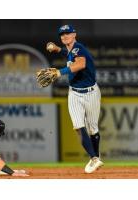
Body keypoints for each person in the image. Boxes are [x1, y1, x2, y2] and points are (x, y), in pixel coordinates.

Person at [46, 24, 103, 173]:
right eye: (62, 34)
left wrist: (59, 72)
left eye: (67, 33)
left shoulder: (79, 48)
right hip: (74, 93)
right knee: (78, 126)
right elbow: (69, 53)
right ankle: (94, 159)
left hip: (91, 93)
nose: (64, 36)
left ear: (74, 34)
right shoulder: (72, 50)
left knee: (93, 129)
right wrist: (57, 49)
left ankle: (95, 156)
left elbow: (81, 64)